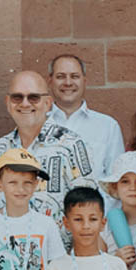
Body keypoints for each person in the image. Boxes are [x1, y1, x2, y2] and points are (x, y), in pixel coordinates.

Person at [0, 70, 94, 233]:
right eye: (17, 97)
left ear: (48, 103)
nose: (25, 104)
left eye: (33, 97)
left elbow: (87, 206)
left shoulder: (71, 145)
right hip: (6, 253)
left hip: (56, 254)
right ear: (7, 102)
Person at [47, 54, 125, 184]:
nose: (68, 82)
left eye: (74, 76)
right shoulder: (37, 124)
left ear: (84, 81)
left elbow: (116, 181)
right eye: (60, 76)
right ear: (50, 81)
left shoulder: (108, 126)